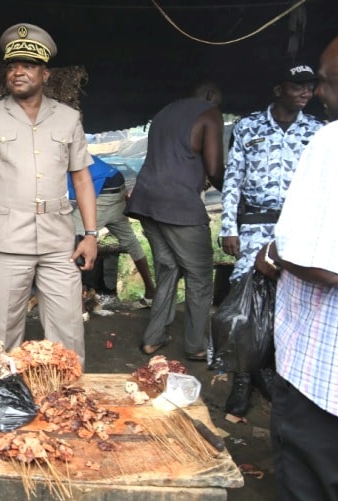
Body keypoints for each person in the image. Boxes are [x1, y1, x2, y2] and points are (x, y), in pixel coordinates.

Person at [253, 17, 338, 500]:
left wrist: (274, 252)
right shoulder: (253, 128)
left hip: (337, 381)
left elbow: (324, 263)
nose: (317, 95)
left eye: (324, 83)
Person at [0, 22, 97, 365]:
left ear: (45, 74)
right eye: (13, 66)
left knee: (68, 327)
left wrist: (90, 234)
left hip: (59, 239)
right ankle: (9, 395)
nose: (18, 72)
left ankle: (68, 394)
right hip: (7, 239)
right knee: (7, 329)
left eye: (28, 65)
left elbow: (83, 179)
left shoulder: (69, 118)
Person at [219, 63, 324, 417]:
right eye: (298, 86)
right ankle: (243, 378)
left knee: (289, 300)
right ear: (278, 89)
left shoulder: (318, 130)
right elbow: (233, 178)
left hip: (298, 228)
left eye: (310, 86)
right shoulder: (248, 127)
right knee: (246, 304)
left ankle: (273, 371)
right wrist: (228, 227)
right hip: (254, 226)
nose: (306, 92)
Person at [125, 81, 225, 361]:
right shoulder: (209, 112)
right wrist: (233, 189)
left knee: (168, 269)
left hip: (147, 201)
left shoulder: (164, 112)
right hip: (179, 206)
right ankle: (195, 345)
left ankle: (153, 338)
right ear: (209, 95)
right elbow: (215, 168)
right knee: (201, 277)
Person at [68, 154, 155, 306]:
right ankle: (151, 293)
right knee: (130, 242)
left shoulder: (54, 157)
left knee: (73, 242)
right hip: (116, 186)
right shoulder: (71, 149)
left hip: (104, 191)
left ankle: (79, 306)